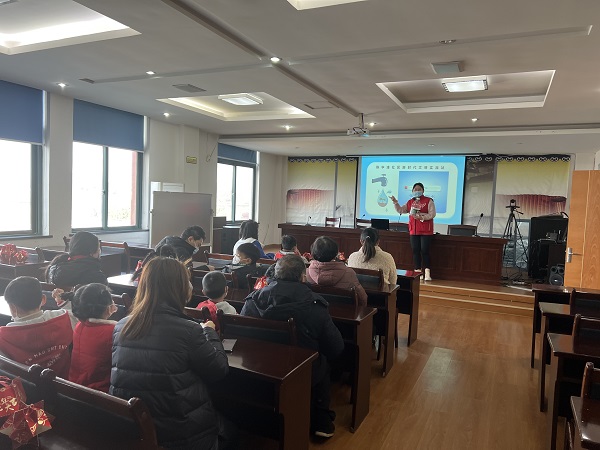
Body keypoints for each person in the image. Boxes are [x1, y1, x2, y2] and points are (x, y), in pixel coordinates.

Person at [111, 257, 236, 449]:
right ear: (179, 288)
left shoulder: (122, 326)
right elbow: (219, 370)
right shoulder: (188, 330)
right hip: (181, 434)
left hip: (134, 430)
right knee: (235, 428)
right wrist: (210, 332)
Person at [241, 255, 344, 438]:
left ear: (275, 274)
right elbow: (335, 348)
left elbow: (242, 335)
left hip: (258, 366)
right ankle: (321, 421)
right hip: (299, 370)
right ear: (303, 277)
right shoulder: (314, 305)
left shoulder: (253, 300)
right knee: (322, 360)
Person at [0, 276, 75, 378]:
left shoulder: (3, 337)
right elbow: (77, 313)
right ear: (43, 299)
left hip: (25, 387)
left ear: (12, 308)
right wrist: (63, 302)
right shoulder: (64, 318)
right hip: (64, 384)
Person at [68, 283, 118, 393]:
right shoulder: (112, 331)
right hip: (99, 392)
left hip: (74, 386)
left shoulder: (79, 326)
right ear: (108, 308)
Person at [390, 182, 436, 281]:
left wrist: (421, 217)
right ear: (412, 191)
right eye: (415, 189)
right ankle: (418, 272)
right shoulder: (410, 202)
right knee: (415, 251)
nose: (417, 191)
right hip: (414, 230)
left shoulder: (428, 201)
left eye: (419, 189)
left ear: (423, 191)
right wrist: (395, 202)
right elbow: (401, 210)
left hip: (426, 230)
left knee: (425, 251)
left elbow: (432, 214)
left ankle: (427, 272)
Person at [306, 236, 367, 306]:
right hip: (345, 311)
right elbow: (362, 299)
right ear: (336, 253)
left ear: (313, 253)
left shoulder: (306, 274)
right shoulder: (349, 273)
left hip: (315, 311)